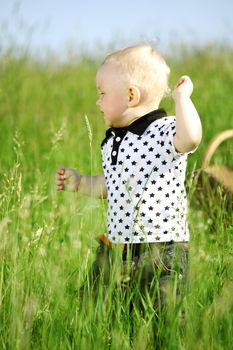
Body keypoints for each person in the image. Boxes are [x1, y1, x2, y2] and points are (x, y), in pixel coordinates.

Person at [56, 44, 202, 311]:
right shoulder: (113, 141)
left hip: (160, 249)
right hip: (117, 246)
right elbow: (110, 185)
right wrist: (80, 182)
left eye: (102, 94)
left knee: (162, 315)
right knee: (101, 309)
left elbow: (191, 138)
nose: (98, 101)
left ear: (131, 95)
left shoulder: (165, 130)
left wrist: (182, 98)